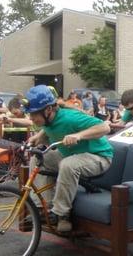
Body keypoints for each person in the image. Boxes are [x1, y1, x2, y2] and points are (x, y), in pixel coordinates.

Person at [25, 85, 113, 233]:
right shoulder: (48, 121)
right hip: (71, 155)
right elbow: (49, 130)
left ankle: (60, 214)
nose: (31, 118)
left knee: (68, 165)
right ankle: (42, 208)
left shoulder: (70, 117)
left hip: (99, 157)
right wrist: (38, 137)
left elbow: (105, 128)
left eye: (34, 114)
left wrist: (79, 135)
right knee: (38, 159)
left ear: (48, 110)